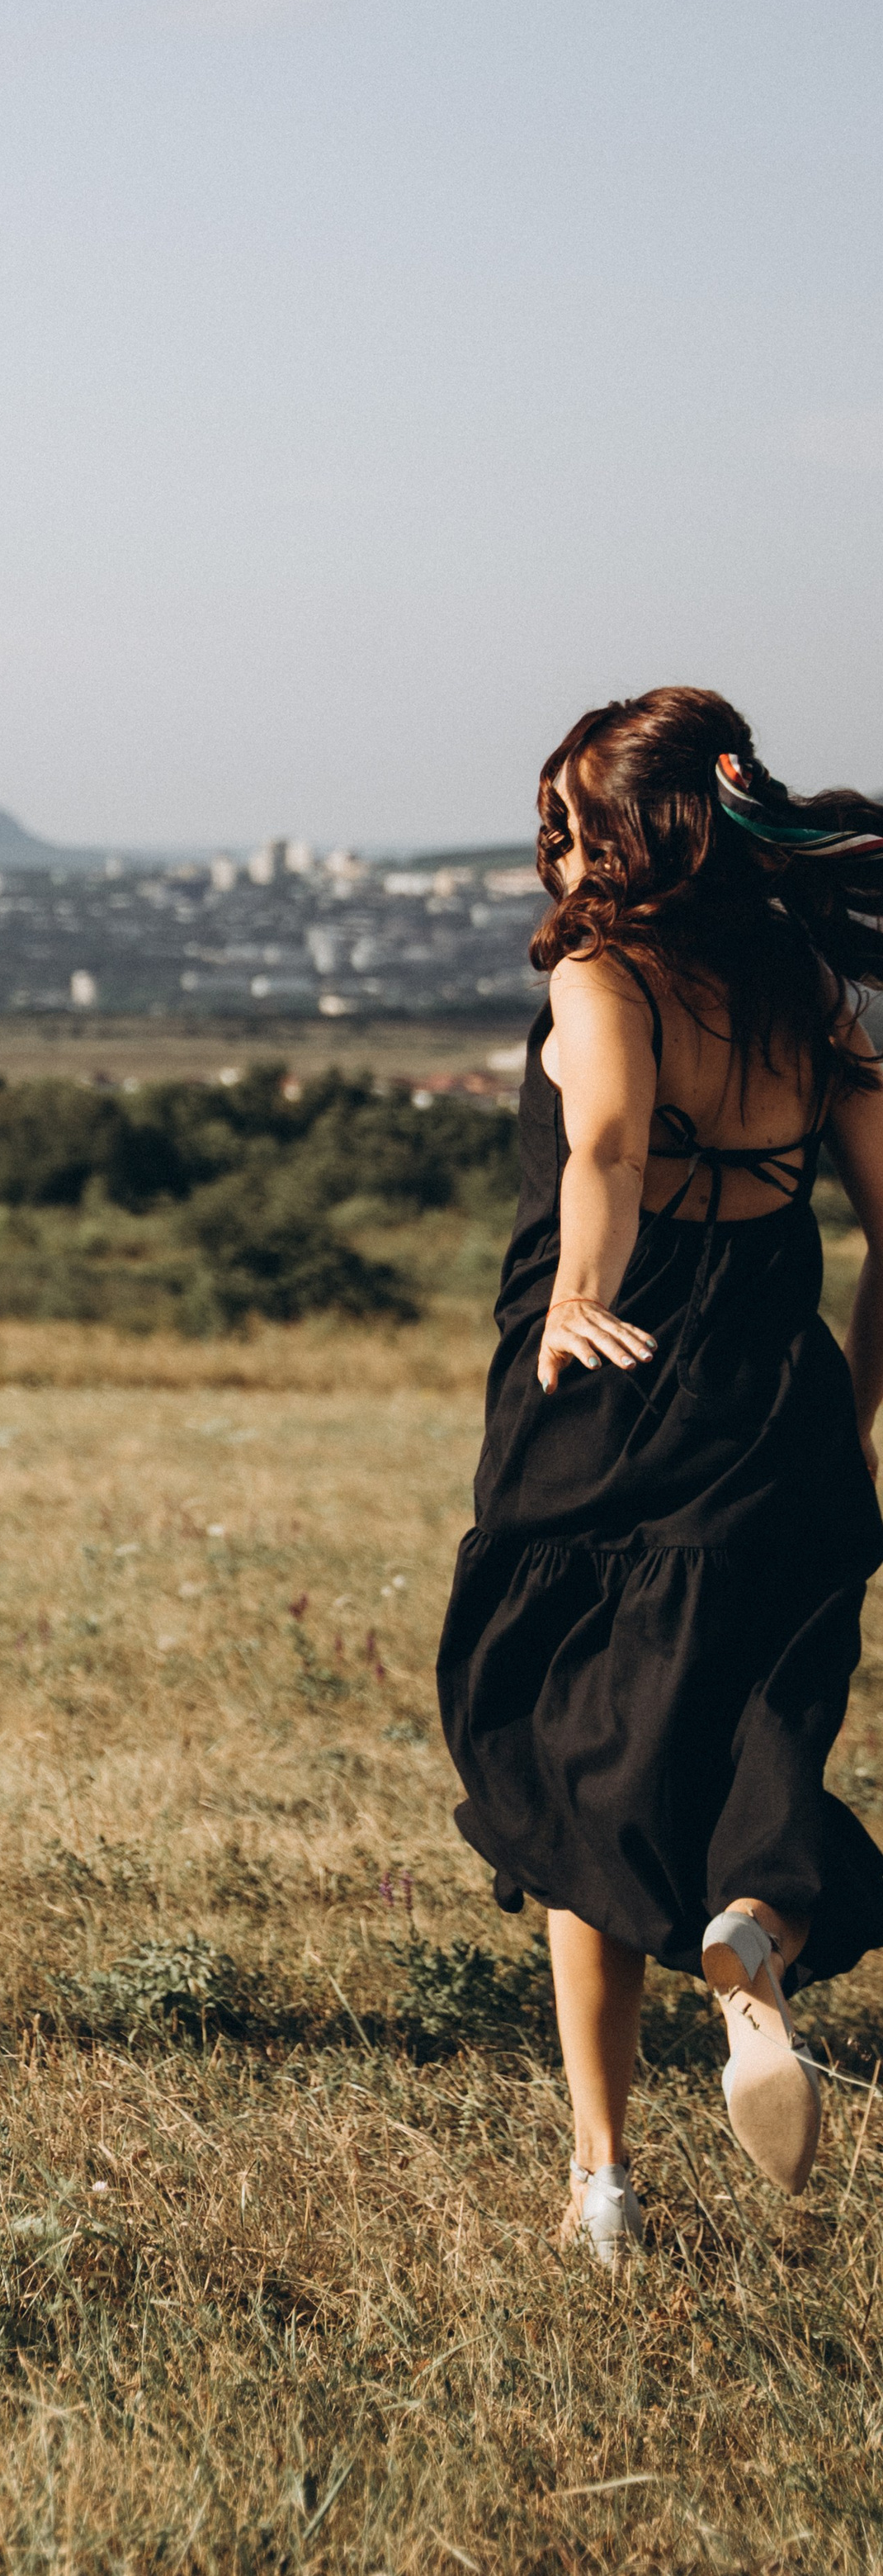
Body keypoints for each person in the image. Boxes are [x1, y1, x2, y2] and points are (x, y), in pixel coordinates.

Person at [437, 690, 883, 2263]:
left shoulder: (603, 969)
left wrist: (579, 1296)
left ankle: (605, 2176)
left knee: (582, 1776)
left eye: (568, 814)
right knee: (761, 1730)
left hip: (612, 1410)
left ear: (636, 831)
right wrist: (852, 1409)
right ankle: (753, 1932)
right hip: (785, 1420)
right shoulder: (813, 988)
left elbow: (610, 1145)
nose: (551, 841)